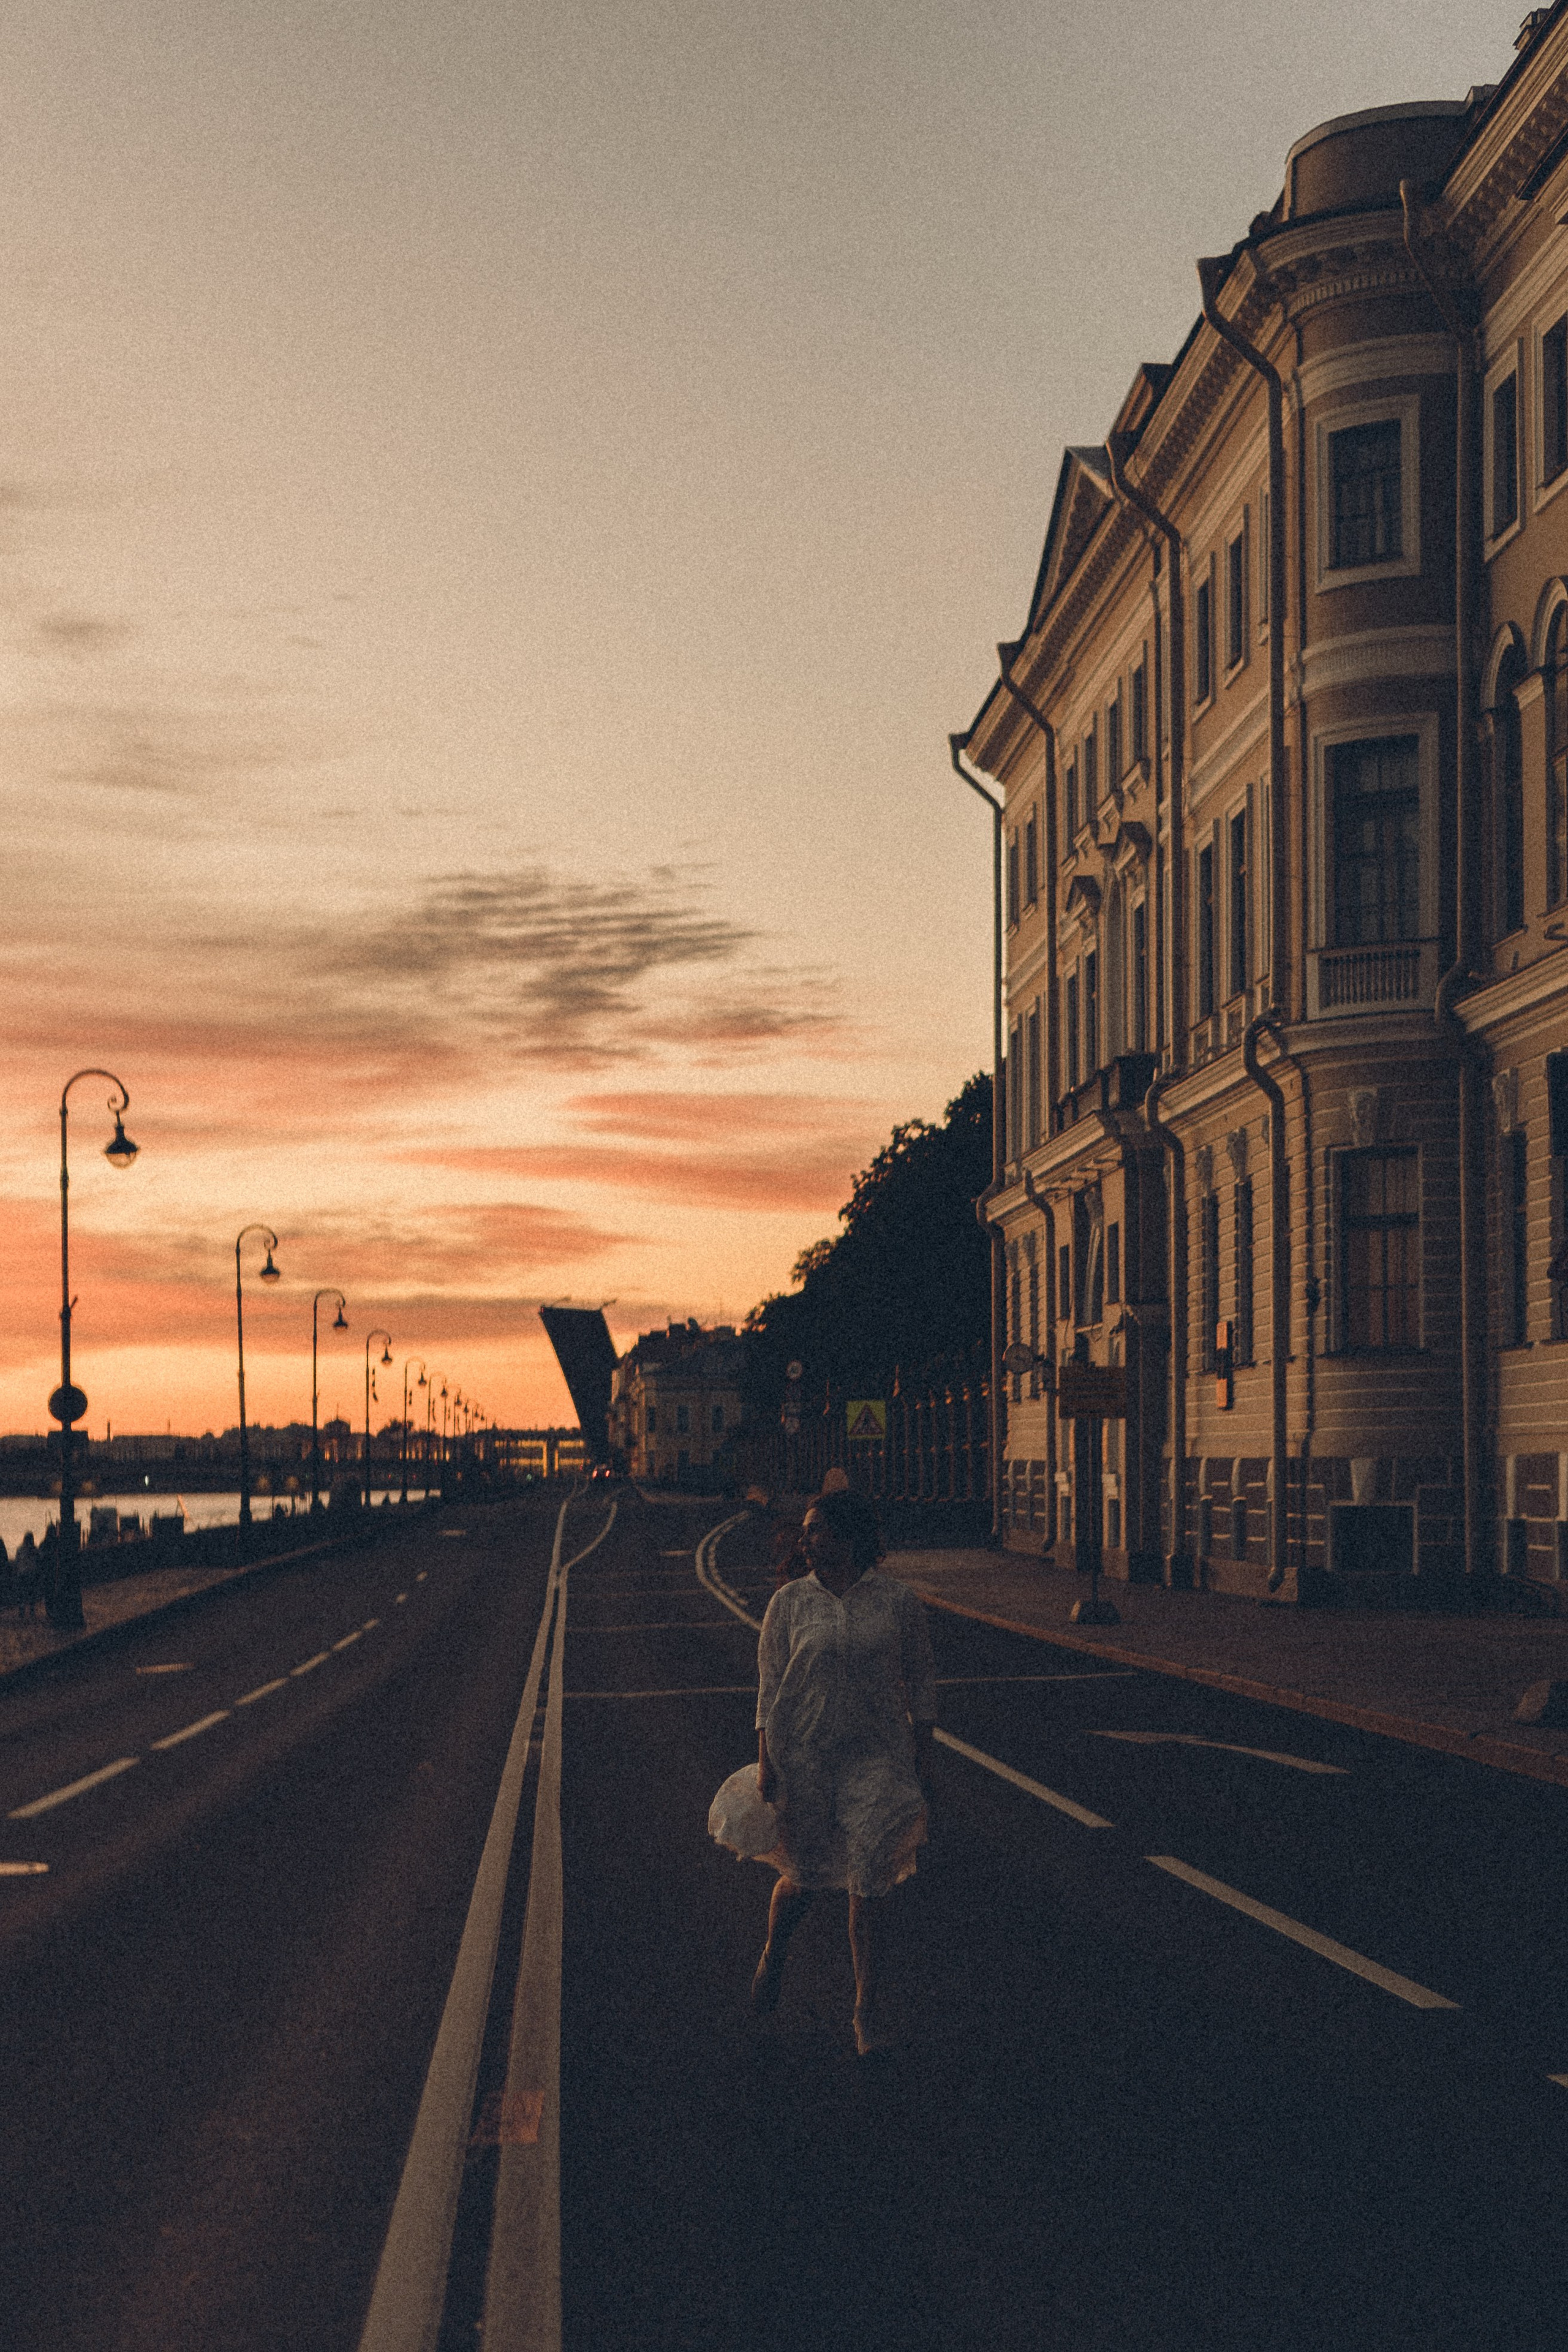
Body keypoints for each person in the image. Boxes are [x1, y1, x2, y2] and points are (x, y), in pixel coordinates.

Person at [742, 1486, 937, 2055]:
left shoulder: (897, 1602)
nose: (807, 1540)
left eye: (818, 1529)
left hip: (877, 1754)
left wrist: (925, 1753)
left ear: (848, 1537)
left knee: (869, 1876)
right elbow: (770, 1684)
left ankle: (865, 2012)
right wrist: (765, 1761)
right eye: (805, 1531)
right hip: (805, 1753)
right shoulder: (790, 1604)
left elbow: (922, 1681)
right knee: (803, 1879)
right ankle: (775, 1952)